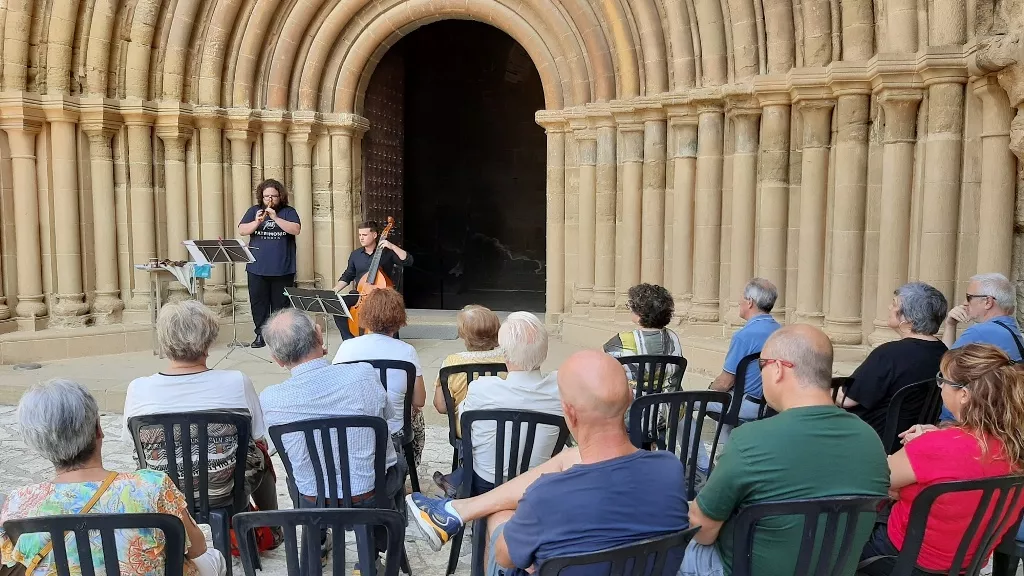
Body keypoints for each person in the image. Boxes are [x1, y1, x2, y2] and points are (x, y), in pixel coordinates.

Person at [405, 350, 689, 576]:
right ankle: (458, 510)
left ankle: (460, 510)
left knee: (500, 519)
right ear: (630, 397)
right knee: (570, 458)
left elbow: (505, 557)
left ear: (569, 413)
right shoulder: (669, 469)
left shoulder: (546, 495)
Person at [681, 325, 889, 576]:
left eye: (762, 366)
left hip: (740, 569)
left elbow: (703, 531)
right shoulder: (871, 440)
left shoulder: (750, 440)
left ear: (778, 369)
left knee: (670, 549)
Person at [1, 379, 226, 576]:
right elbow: (197, 549)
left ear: (36, 443)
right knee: (215, 558)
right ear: (98, 429)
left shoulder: (19, 504)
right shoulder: (151, 486)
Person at [858, 344, 1024, 575]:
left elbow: (872, 480)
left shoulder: (933, 447)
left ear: (964, 395)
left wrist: (911, 465)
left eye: (943, 380)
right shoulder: (1015, 446)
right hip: (967, 563)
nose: (940, 387)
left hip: (898, 558)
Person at [259, 308, 403, 564]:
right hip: (368, 495)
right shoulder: (363, 374)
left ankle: (318, 540)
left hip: (313, 500)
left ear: (277, 359)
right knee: (396, 461)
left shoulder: (271, 398)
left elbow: (270, 446)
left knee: (298, 475)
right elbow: (389, 420)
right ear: (318, 335)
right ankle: (377, 547)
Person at [122, 301, 279, 513]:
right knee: (260, 451)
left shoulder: (138, 388)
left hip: (162, 491)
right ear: (209, 340)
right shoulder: (236, 382)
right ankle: (269, 523)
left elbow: (130, 442)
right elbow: (259, 435)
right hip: (224, 491)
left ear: (164, 341)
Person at [456, 311, 564, 495]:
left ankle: (457, 483)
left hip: (487, 482)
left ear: (504, 354)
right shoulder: (561, 388)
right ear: (544, 352)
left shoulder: (481, 389)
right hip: (537, 484)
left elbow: (461, 430)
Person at [836, 282, 948, 451]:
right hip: (910, 437)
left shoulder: (889, 354)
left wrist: (819, 387)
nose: (889, 307)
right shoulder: (943, 352)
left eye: (895, 304)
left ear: (908, 319)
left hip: (873, 440)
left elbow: (846, 399)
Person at [691, 278, 782, 477]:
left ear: (749, 302)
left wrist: (709, 388)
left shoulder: (744, 336)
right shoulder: (781, 331)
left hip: (746, 404)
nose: (740, 302)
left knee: (688, 403)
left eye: (742, 298)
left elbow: (724, 383)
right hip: (772, 404)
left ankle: (702, 465)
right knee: (722, 401)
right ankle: (727, 454)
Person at [332, 288, 427, 463]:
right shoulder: (406, 351)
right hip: (394, 431)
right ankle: (406, 465)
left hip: (354, 428)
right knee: (417, 415)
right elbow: (419, 401)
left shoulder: (347, 347)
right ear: (399, 317)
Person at [431, 305, 506, 494]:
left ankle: (460, 479)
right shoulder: (510, 360)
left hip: (465, 429)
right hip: (505, 426)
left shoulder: (452, 363)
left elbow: (441, 406)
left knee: (470, 430)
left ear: (464, 334)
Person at [940, 272, 1023, 421]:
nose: (965, 303)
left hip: (965, 419)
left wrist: (950, 324)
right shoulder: (1011, 329)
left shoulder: (980, 331)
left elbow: (944, 369)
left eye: (969, 297)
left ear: (988, 302)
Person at [237, 179, 301, 348]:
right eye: (266, 196)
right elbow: (242, 230)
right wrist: (257, 222)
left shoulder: (288, 211)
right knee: (258, 303)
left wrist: (276, 218)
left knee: (281, 306)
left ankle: (280, 337)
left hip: (282, 268)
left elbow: (296, 230)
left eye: (273, 196)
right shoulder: (254, 211)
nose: (270, 199)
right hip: (257, 267)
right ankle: (261, 334)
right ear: (261, 197)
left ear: (280, 196)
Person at [333, 221, 414, 339]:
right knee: (338, 306)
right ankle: (348, 340)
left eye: (364, 235)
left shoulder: (387, 253)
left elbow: (408, 261)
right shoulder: (355, 255)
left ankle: (391, 340)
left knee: (387, 307)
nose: (361, 238)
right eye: (360, 235)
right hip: (361, 294)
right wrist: (334, 290)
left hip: (382, 295)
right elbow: (348, 275)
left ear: (375, 235)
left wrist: (391, 246)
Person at [603, 283, 683, 387]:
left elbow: (595, 361)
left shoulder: (624, 340)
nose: (630, 309)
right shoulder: (672, 337)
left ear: (641, 314)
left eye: (631, 306)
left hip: (635, 402)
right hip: (669, 402)